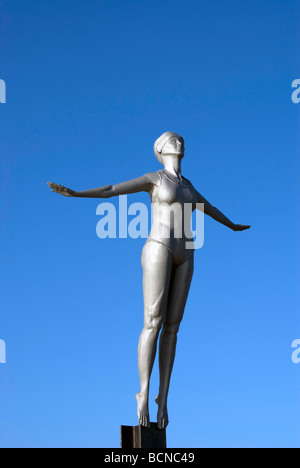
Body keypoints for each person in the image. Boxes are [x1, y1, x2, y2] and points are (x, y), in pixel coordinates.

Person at [48, 131, 250, 429]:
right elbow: (112, 189)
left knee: (173, 327)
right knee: (153, 321)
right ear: (161, 149)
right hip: (159, 247)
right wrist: (76, 194)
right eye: (172, 140)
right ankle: (142, 391)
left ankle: (163, 398)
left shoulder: (189, 186)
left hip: (188, 254)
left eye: (181, 139)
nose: (179, 142)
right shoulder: (155, 179)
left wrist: (231, 225)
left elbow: (209, 208)